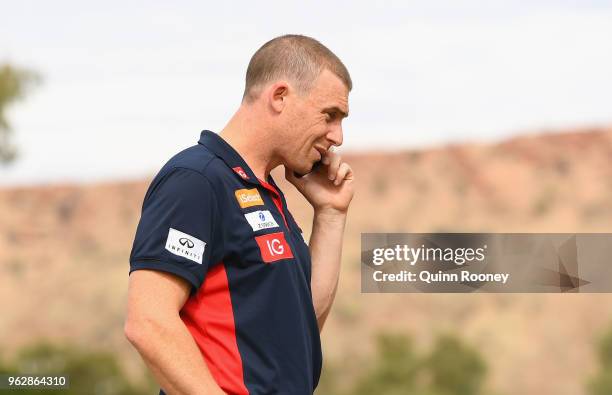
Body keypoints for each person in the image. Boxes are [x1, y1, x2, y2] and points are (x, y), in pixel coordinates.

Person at [124, 34, 354, 395]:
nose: (337, 136)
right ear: (280, 97)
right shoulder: (197, 179)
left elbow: (302, 324)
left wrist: (331, 212)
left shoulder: (264, 191)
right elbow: (148, 322)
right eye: (330, 116)